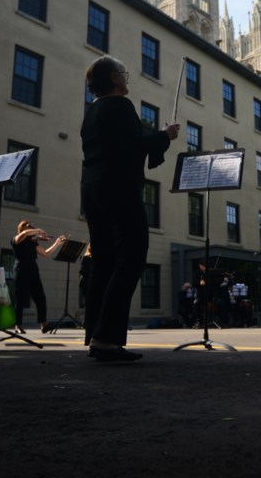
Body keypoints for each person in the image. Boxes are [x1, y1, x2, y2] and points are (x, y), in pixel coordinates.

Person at [80, 56, 180, 362]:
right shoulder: (120, 106)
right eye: (123, 73)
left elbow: (122, 143)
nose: (127, 78)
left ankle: (97, 336)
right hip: (119, 188)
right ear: (113, 78)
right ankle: (107, 337)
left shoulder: (92, 111)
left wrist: (157, 138)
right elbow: (132, 145)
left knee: (104, 261)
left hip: (92, 189)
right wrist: (165, 136)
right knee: (132, 256)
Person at [11, 220, 67, 334]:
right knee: (20, 299)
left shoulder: (33, 243)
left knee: (40, 297)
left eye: (32, 226)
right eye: (28, 226)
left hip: (33, 272)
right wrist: (38, 231)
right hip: (21, 271)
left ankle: (43, 324)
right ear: (22, 229)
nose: (31, 228)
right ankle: (17, 325)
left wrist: (57, 243)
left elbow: (45, 253)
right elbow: (25, 234)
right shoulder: (16, 239)